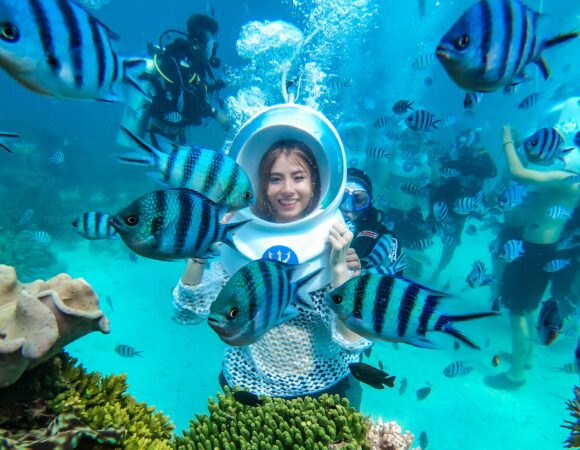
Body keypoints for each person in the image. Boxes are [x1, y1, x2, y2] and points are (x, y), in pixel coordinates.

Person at [172, 105, 370, 407]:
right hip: (247, 387)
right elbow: (186, 314)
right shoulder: (238, 236)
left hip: (324, 389)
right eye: (275, 178)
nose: (287, 189)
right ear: (260, 183)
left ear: (316, 181)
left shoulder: (335, 245)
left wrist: (340, 270)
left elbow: (352, 345)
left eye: (298, 177)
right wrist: (202, 243)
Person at [484, 124, 580, 390]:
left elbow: (519, 173)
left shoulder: (571, 179)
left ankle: (515, 375)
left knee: (517, 310)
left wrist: (507, 140)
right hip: (541, 250)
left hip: (534, 252)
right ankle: (524, 358)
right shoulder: (570, 177)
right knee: (528, 308)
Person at [118, 13, 230, 147]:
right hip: (159, 135)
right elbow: (186, 98)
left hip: (173, 136)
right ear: (199, 40)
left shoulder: (194, 63)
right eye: (210, 39)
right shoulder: (177, 62)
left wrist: (214, 86)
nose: (213, 45)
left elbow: (195, 87)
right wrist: (215, 113)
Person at [428, 130, 497, 284]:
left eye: (472, 143)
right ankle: (417, 255)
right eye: (464, 142)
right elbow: (440, 167)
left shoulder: (480, 162)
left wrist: (482, 151)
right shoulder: (454, 155)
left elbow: (492, 172)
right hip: (442, 202)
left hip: (462, 208)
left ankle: (438, 271)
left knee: (450, 243)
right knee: (428, 231)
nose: (467, 146)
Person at [340, 168, 395, 262]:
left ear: (369, 204)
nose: (347, 207)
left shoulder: (381, 237)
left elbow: (393, 273)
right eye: (342, 197)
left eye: (358, 200)